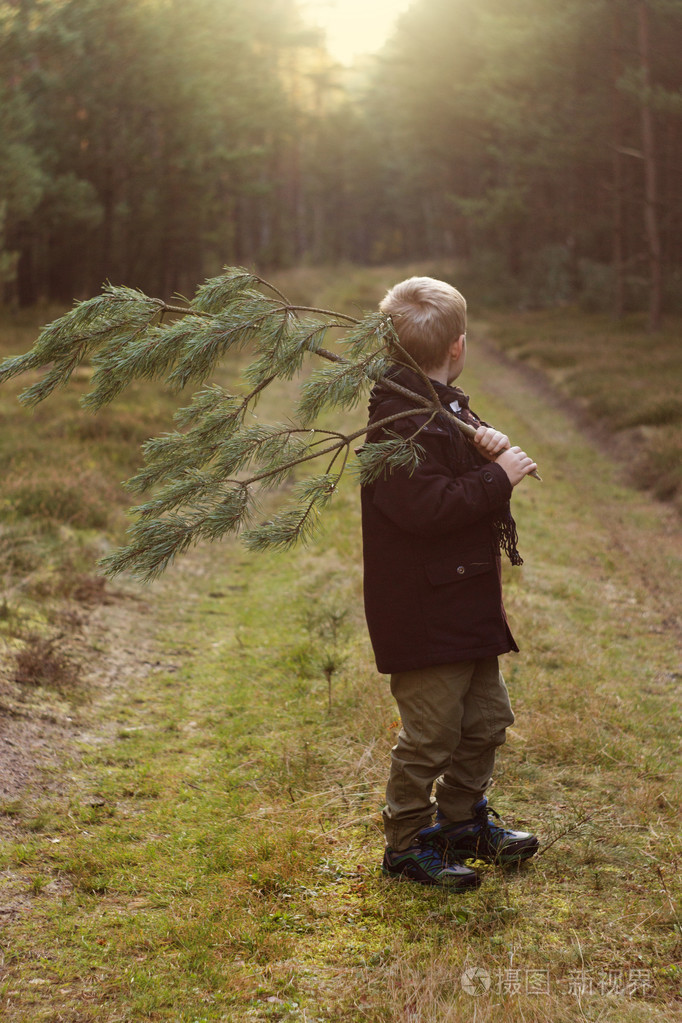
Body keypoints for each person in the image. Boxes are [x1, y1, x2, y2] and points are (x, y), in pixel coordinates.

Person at [360, 276, 539, 889]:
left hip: (463, 600)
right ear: (457, 346)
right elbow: (427, 508)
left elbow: (459, 460)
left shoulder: (446, 406)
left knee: (486, 720)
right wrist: (499, 478)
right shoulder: (397, 422)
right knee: (431, 736)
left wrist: (490, 447)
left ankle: (463, 822)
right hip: (422, 609)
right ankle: (406, 844)